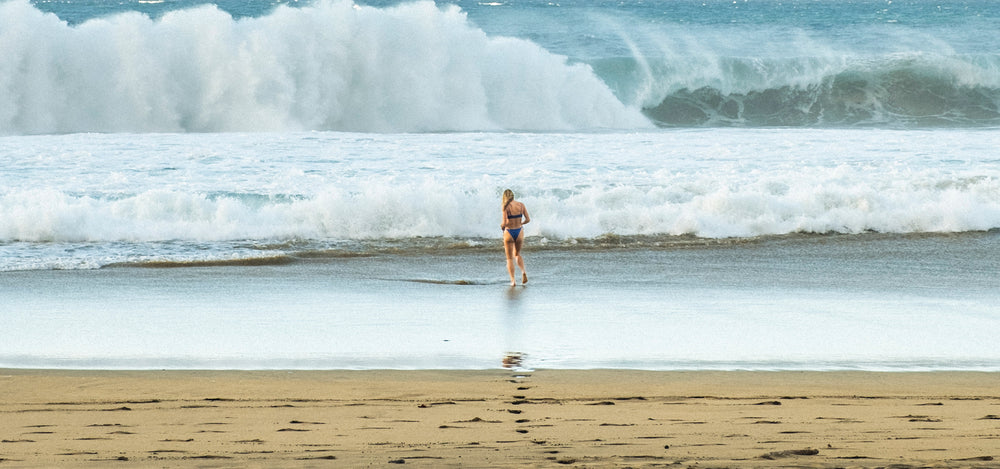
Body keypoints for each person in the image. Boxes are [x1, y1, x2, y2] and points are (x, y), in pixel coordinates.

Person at [501, 189, 530, 286]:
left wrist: (502, 226)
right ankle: (523, 272)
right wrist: (520, 223)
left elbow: (505, 223)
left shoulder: (505, 207)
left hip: (509, 232)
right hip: (519, 231)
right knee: (517, 254)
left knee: (509, 258)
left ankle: (513, 281)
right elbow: (528, 219)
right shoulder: (521, 205)